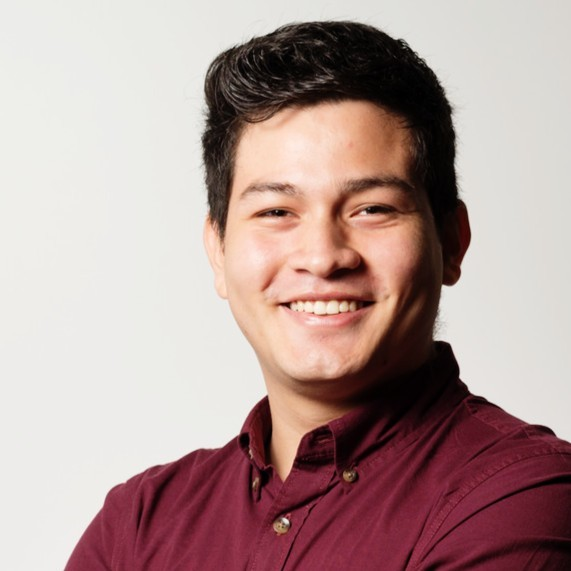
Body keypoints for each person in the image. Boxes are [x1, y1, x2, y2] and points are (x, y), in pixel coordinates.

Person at [66, 21, 571, 570]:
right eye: (276, 212)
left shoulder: (525, 496)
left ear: (451, 241)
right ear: (218, 250)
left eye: (372, 208)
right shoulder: (137, 525)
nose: (324, 257)